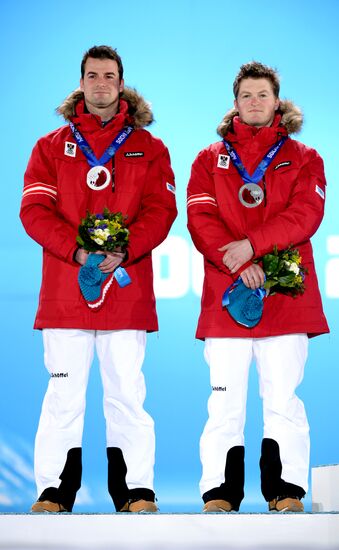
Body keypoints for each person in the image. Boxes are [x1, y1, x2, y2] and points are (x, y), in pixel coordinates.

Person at [20, 45, 177, 514]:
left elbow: (162, 210)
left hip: (124, 289)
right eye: (93, 75)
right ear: (81, 83)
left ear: (122, 83)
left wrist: (124, 251)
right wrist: (79, 250)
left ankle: (135, 491)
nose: (102, 83)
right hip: (67, 288)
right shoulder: (50, 147)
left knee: (127, 393)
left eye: (110, 75)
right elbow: (34, 211)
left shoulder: (150, 148)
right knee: (63, 393)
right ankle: (53, 491)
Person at [187, 61, 329, 513]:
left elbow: (306, 215)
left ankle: (285, 491)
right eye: (246, 95)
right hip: (228, 294)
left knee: (283, 397)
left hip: (285, 292)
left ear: (277, 101)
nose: (254, 103)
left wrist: (252, 249)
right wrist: (238, 262)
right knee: (225, 400)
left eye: (262, 95)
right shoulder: (208, 160)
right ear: (235, 103)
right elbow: (200, 219)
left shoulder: (306, 158)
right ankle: (220, 493)